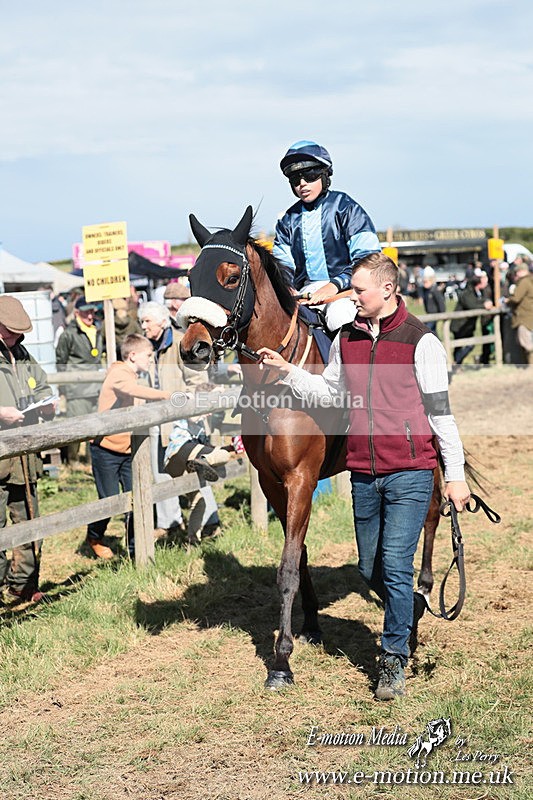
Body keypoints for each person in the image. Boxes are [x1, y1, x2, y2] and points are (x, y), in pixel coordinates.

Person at [257, 252, 470, 701]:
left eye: (359, 290)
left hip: (410, 471)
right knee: (369, 566)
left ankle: (392, 658)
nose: (351, 297)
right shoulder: (346, 340)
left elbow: (441, 416)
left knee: (394, 565)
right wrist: (288, 371)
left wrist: (454, 476)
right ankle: (407, 606)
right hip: (364, 473)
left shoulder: (421, 342)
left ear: (388, 290)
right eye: (351, 290)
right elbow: (329, 390)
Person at [138, 302, 231, 543]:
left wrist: (191, 407)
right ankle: (169, 522)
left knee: (196, 472)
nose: (143, 326)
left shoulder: (182, 343)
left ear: (161, 321)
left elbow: (197, 378)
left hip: (182, 419)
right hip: (155, 418)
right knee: (161, 472)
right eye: (141, 322)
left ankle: (211, 523)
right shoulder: (147, 348)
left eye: (147, 321)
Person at [273, 140, 381, 331]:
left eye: (310, 174)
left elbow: (369, 259)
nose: (302, 183)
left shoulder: (346, 208)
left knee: (338, 316)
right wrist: (287, 289)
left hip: (347, 292)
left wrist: (334, 285)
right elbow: (283, 268)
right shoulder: (287, 221)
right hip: (305, 294)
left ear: (324, 175)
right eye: (295, 179)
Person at [85, 334, 172, 559]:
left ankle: (137, 551)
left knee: (139, 497)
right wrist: (166, 395)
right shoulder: (119, 374)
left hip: (127, 450)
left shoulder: (132, 375)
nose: (151, 360)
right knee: (110, 500)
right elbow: (131, 391)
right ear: (132, 356)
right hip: (106, 449)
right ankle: (94, 536)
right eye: (148, 356)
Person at [0, 296, 56, 603]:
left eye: (16, 331)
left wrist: (47, 404)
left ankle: (24, 584)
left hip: (24, 454)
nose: (13, 336)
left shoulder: (21, 354)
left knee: (29, 519)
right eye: (8, 329)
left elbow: (42, 385)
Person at [55, 296, 104, 467]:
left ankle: (91, 461)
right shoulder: (69, 334)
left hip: (96, 386)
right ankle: (73, 461)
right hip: (76, 387)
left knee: (95, 426)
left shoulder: (98, 329)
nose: (90, 316)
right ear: (77, 313)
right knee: (76, 426)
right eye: (86, 312)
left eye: (92, 312)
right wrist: (64, 386)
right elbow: (60, 360)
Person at [450, 269, 493, 366]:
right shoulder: (467, 293)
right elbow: (472, 304)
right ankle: (457, 364)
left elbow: (481, 300)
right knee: (460, 346)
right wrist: (484, 305)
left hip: (468, 325)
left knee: (469, 345)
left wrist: (487, 302)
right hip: (460, 325)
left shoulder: (479, 292)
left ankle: (456, 363)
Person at [505, 261, 533, 365]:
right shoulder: (530, 280)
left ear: (521, 271)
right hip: (529, 314)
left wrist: (508, 300)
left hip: (524, 316)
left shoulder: (524, 282)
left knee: (526, 343)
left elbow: (516, 298)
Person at [420, 266, 445, 334]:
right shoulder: (425, 291)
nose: (424, 283)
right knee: (433, 331)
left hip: (434, 314)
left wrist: (443, 315)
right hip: (429, 313)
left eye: (426, 282)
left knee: (428, 330)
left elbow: (440, 303)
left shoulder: (435, 290)